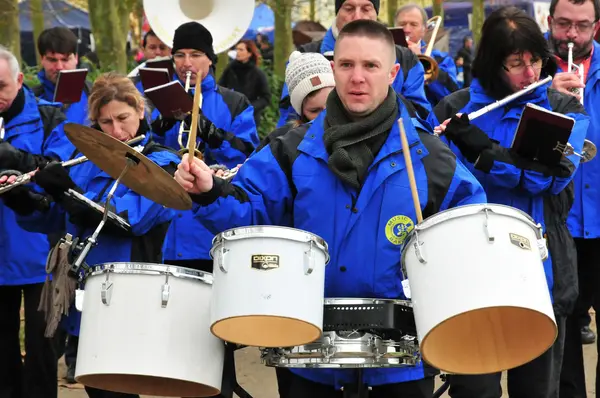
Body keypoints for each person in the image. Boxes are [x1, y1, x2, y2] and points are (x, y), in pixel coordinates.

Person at [174, 19, 486, 398]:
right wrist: (209, 192)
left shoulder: (430, 156)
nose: (358, 77)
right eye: (347, 65)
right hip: (308, 353)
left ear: (392, 73)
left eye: (370, 66)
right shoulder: (291, 149)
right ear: (332, 67)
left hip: (401, 363)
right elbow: (250, 215)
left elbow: (468, 232)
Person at [432, 6, 589, 398]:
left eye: (535, 60)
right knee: (474, 391)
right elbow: (439, 186)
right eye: (515, 63)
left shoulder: (564, 108)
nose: (530, 73)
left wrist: (485, 152)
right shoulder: (455, 109)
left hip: (542, 272)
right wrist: (445, 142)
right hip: (471, 277)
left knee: (537, 391)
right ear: (491, 63)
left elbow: (550, 179)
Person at [1, 72, 180, 398]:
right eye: (105, 121)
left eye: (123, 118)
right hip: (85, 293)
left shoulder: (162, 163)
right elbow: (55, 218)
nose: (116, 131)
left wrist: (66, 192)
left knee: (118, 391)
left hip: (132, 292)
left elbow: (127, 220)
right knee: (98, 390)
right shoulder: (85, 162)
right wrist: (21, 197)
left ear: (140, 109)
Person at [150, 21, 258, 274]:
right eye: (179, 55)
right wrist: (157, 128)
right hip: (165, 224)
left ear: (210, 60)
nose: (187, 62)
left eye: (196, 55)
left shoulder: (234, 102)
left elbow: (248, 154)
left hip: (208, 225)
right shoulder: (161, 100)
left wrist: (213, 135)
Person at [0, 45, 75, 398]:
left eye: (1, 86)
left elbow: (58, 170)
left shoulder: (50, 117)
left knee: (43, 350)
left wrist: (8, 154)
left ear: (18, 80)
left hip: (40, 251)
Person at [545, 0, 600, 395]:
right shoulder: (530, 73)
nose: (572, 35)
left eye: (582, 26)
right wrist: (550, 101)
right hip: (557, 223)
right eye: (564, 24)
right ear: (549, 22)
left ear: (596, 27)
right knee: (561, 329)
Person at [277, 0, 431, 127]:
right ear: (337, 12)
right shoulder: (306, 55)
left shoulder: (406, 59)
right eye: (349, 8)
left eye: (366, 8)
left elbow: (420, 115)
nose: (357, 16)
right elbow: (289, 117)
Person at [256, 50, 335, 152]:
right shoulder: (280, 145)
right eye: (315, 111)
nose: (325, 116)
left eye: (332, 105)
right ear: (301, 113)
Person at [395, 3, 460, 106]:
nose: (407, 30)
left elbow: (452, 96)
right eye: (402, 24)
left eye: (413, 24)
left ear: (424, 30)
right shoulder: (384, 57)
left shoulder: (441, 59)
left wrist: (421, 62)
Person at [32, 27, 91, 126]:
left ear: (76, 58)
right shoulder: (30, 100)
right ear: (42, 59)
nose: (59, 67)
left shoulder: (94, 95)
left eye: (65, 60)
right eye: (52, 60)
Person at [218, 39, 271, 129]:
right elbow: (219, 88)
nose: (237, 52)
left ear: (249, 53)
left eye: (241, 50)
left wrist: (250, 107)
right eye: (236, 49)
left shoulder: (257, 73)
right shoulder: (230, 69)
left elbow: (266, 97)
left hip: (249, 118)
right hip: (230, 115)